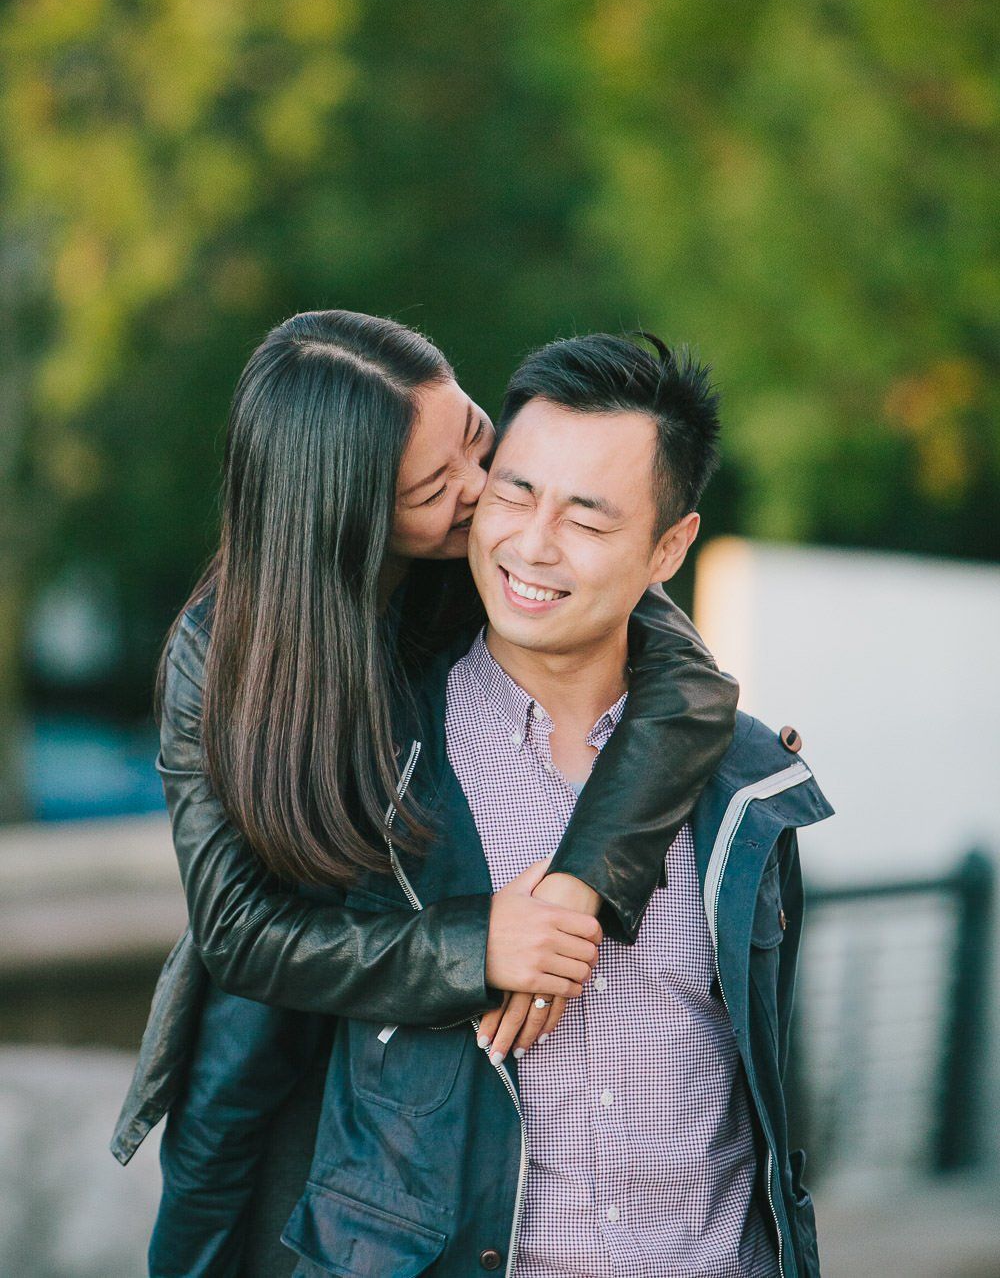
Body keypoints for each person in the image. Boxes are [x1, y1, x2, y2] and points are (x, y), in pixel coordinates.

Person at [110, 311, 740, 1275]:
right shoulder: (222, 652)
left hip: (418, 924)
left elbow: (690, 687)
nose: (485, 492)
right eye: (436, 489)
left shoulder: (502, 564)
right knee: (219, 1159)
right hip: (286, 970)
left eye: (476, 439)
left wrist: (580, 882)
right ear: (351, 516)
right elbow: (236, 928)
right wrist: (473, 943)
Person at [275, 332, 832, 1278]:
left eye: (587, 517)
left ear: (668, 547)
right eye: (514, 491)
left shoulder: (746, 788)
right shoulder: (371, 756)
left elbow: (765, 1100)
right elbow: (261, 993)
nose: (531, 544)